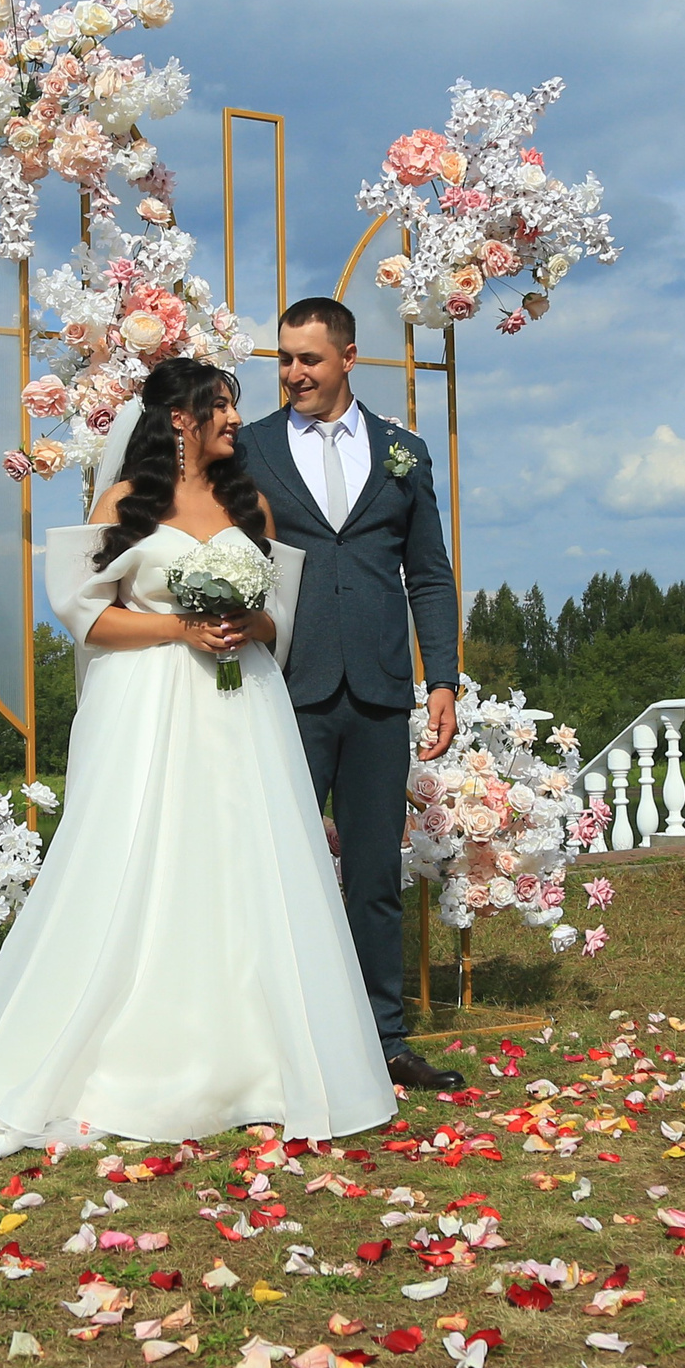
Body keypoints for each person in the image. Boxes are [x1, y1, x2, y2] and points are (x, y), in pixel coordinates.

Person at [0, 357, 396, 1158]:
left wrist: (248, 624)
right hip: (150, 704)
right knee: (146, 857)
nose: (234, 419)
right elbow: (86, 616)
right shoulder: (125, 503)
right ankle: (135, 1055)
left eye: (233, 406)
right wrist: (181, 628)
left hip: (243, 706)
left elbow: (280, 615)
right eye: (220, 407)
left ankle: (260, 1065)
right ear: (179, 419)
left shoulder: (250, 504)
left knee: (243, 862)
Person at [236, 297, 466, 1093]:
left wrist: (442, 677)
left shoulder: (405, 452)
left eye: (308, 358)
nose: (293, 373)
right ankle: (280, 1043)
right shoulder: (251, 448)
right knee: (281, 871)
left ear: (347, 358)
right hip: (283, 689)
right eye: (284, 358)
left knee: (373, 876)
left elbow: (428, 574)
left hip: (377, 692)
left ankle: (383, 1039)